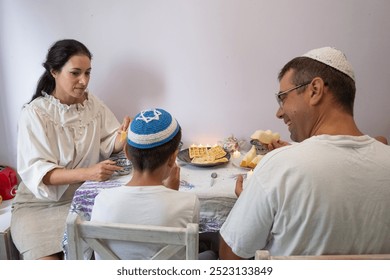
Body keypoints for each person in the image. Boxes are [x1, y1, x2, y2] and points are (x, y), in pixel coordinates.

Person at [219, 47, 390, 259]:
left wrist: (250, 204)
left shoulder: (279, 167)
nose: (279, 112)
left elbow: (230, 258)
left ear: (315, 90)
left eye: (283, 98)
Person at [11, 39, 130, 260]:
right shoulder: (34, 114)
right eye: (75, 73)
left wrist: (121, 139)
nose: (83, 81)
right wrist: (88, 173)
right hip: (39, 206)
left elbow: (107, 140)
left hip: (84, 199)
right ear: (54, 71)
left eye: (88, 73)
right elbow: (41, 174)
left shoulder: (92, 104)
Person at [90, 108, 215, 259]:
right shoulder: (189, 203)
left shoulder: (102, 200)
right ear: (173, 158)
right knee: (210, 254)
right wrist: (173, 194)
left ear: (127, 152)